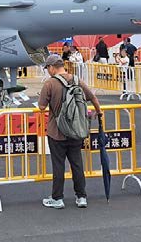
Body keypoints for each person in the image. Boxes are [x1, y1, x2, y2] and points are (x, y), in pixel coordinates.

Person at [38, 55, 102, 209]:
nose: (48, 71)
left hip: (56, 131)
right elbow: (92, 97)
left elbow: (41, 107)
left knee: (58, 165)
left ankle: (58, 198)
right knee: (77, 164)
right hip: (76, 129)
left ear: (52, 67)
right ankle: (81, 197)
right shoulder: (76, 80)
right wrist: (99, 113)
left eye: (47, 68)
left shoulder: (50, 83)